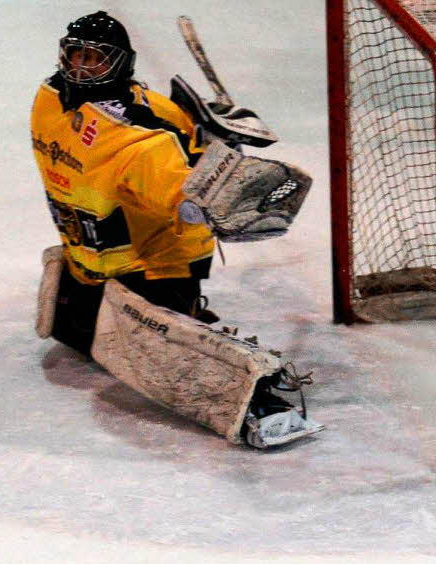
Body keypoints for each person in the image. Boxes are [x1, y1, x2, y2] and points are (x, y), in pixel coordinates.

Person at [31, 11, 321, 448]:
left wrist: (225, 162)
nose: (82, 68)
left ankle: (262, 402)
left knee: (160, 355)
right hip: (89, 267)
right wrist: (212, 137)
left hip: (151, 272)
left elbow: (199, 208)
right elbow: (168, 125)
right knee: (84, 333)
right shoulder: (50, 99)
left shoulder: (141, 144)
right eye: (76, 55)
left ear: (122, 64)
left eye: (96, 59)